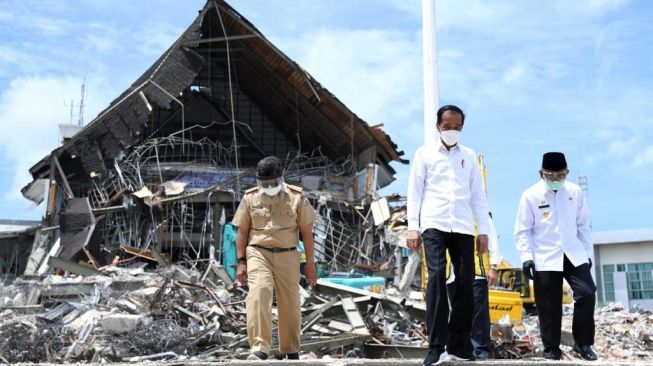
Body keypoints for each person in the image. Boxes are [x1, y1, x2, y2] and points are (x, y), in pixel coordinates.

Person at [407, 104, 490, 365]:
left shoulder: (469, 155)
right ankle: (435, 345)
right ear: (437, 127)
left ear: (461, 128)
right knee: (437, 278)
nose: (452, 131)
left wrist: (484, 231)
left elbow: (478, 195)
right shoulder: (425, 154)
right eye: (447, 126)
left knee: (466, 283)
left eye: (457, 127)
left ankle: (459, 344)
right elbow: (415, 191)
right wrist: (412, 226)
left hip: (463, 227)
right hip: (434, 224)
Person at [232, 156, 318, 361]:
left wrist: (311, 265)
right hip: (257, 252)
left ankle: (290, 349)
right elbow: (242, 232)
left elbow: (306, 233)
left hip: (288, 254)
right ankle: (260, 348)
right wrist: (241, 262)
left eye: (272, 182)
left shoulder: (297, 197)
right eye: (264, 183)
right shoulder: (250, 197)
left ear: (281, 178)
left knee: (290, 302)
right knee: (259, 294)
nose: (268, 187)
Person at [513, 152, 597, 361]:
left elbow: (583, 225)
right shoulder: (530, 195)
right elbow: (523, 230)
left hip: (573, 252)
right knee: (548, 305)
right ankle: (551, 349)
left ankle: (583, 342)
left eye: (561, 175)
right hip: (545, 255)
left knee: (587, 293)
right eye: (551, 176)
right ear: (541, 173)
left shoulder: (575, 192)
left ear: (567, 172)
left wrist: (587, 253)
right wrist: (526, 257)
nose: (556, 180)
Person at [447, 213, 500, 360]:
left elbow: (492, 239)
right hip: (452, 275)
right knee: (458, 314)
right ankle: (462, 349)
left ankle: (480, 350)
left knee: (478, 314)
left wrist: (493, 266)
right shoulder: (449, 212)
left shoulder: (479, 213)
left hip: (476, 272)